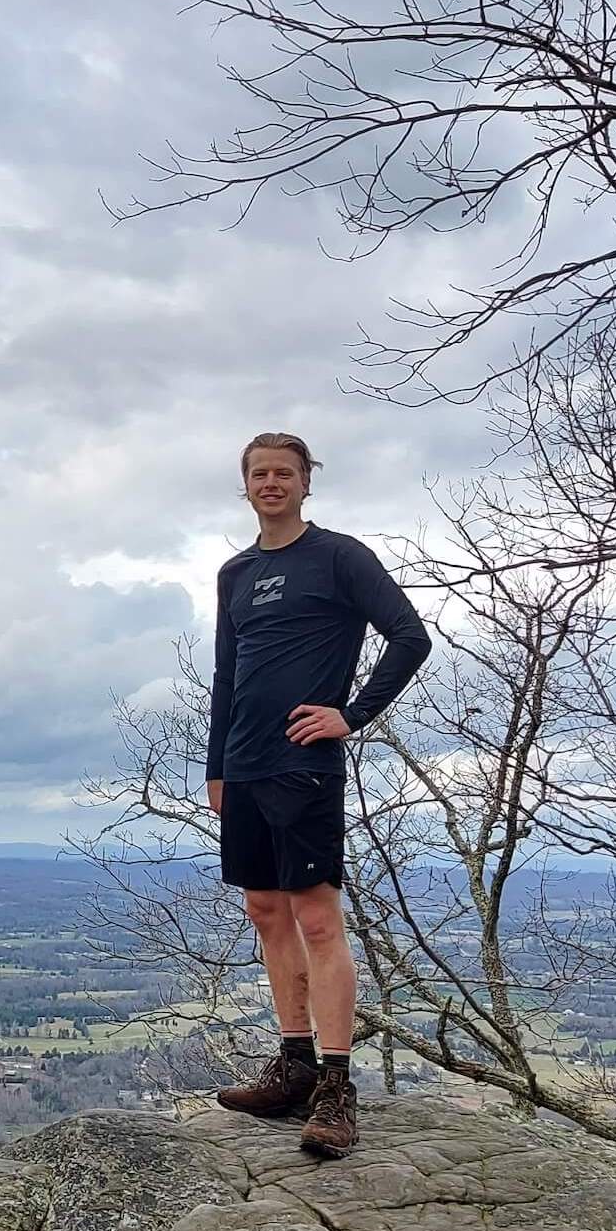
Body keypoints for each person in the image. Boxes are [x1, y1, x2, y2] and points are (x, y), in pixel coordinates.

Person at [206, 431, 430, 1158]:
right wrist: (216, 766)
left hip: (304, 766)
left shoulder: (339, 557)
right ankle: (294, 1064)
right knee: (265, 911)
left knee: (318, 918)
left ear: (307, 483)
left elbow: (409, 636)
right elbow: (225, 677)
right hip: (243, 766)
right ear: (245, 486)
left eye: (285, 473)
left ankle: (336, 1084)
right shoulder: (235, 573)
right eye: (259, 474)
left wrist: (352, 714)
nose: (271, 483)